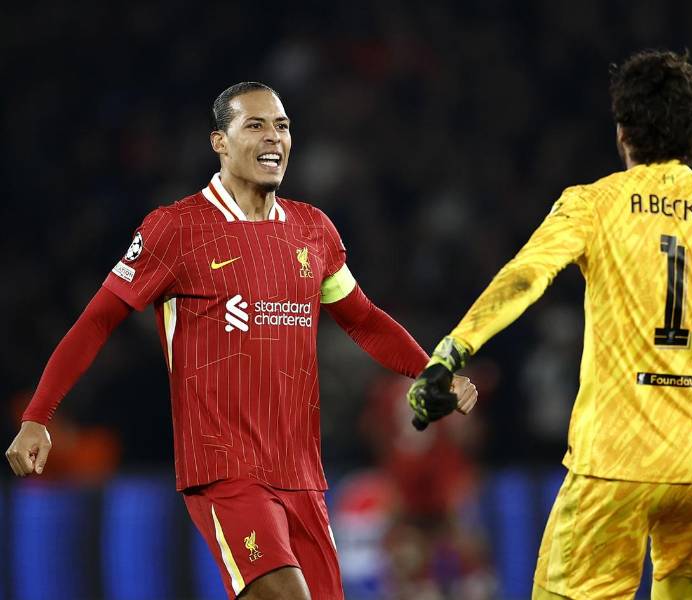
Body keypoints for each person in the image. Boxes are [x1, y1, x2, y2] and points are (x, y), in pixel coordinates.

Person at [5, 82, 478, 600]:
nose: (273, 136)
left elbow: (363, 319)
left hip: (301, 474)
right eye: (254, 125)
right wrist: (38, 416)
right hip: (225, 471)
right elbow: (96, 321)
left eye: (282, 125)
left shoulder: (312, 230)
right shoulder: (176, 229)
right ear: (220, 142)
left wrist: (432, 372)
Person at [407, 49, 692, 600]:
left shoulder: (596, 204)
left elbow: (525, 277)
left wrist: (451, 351)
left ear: (623, 134)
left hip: (619, 461)